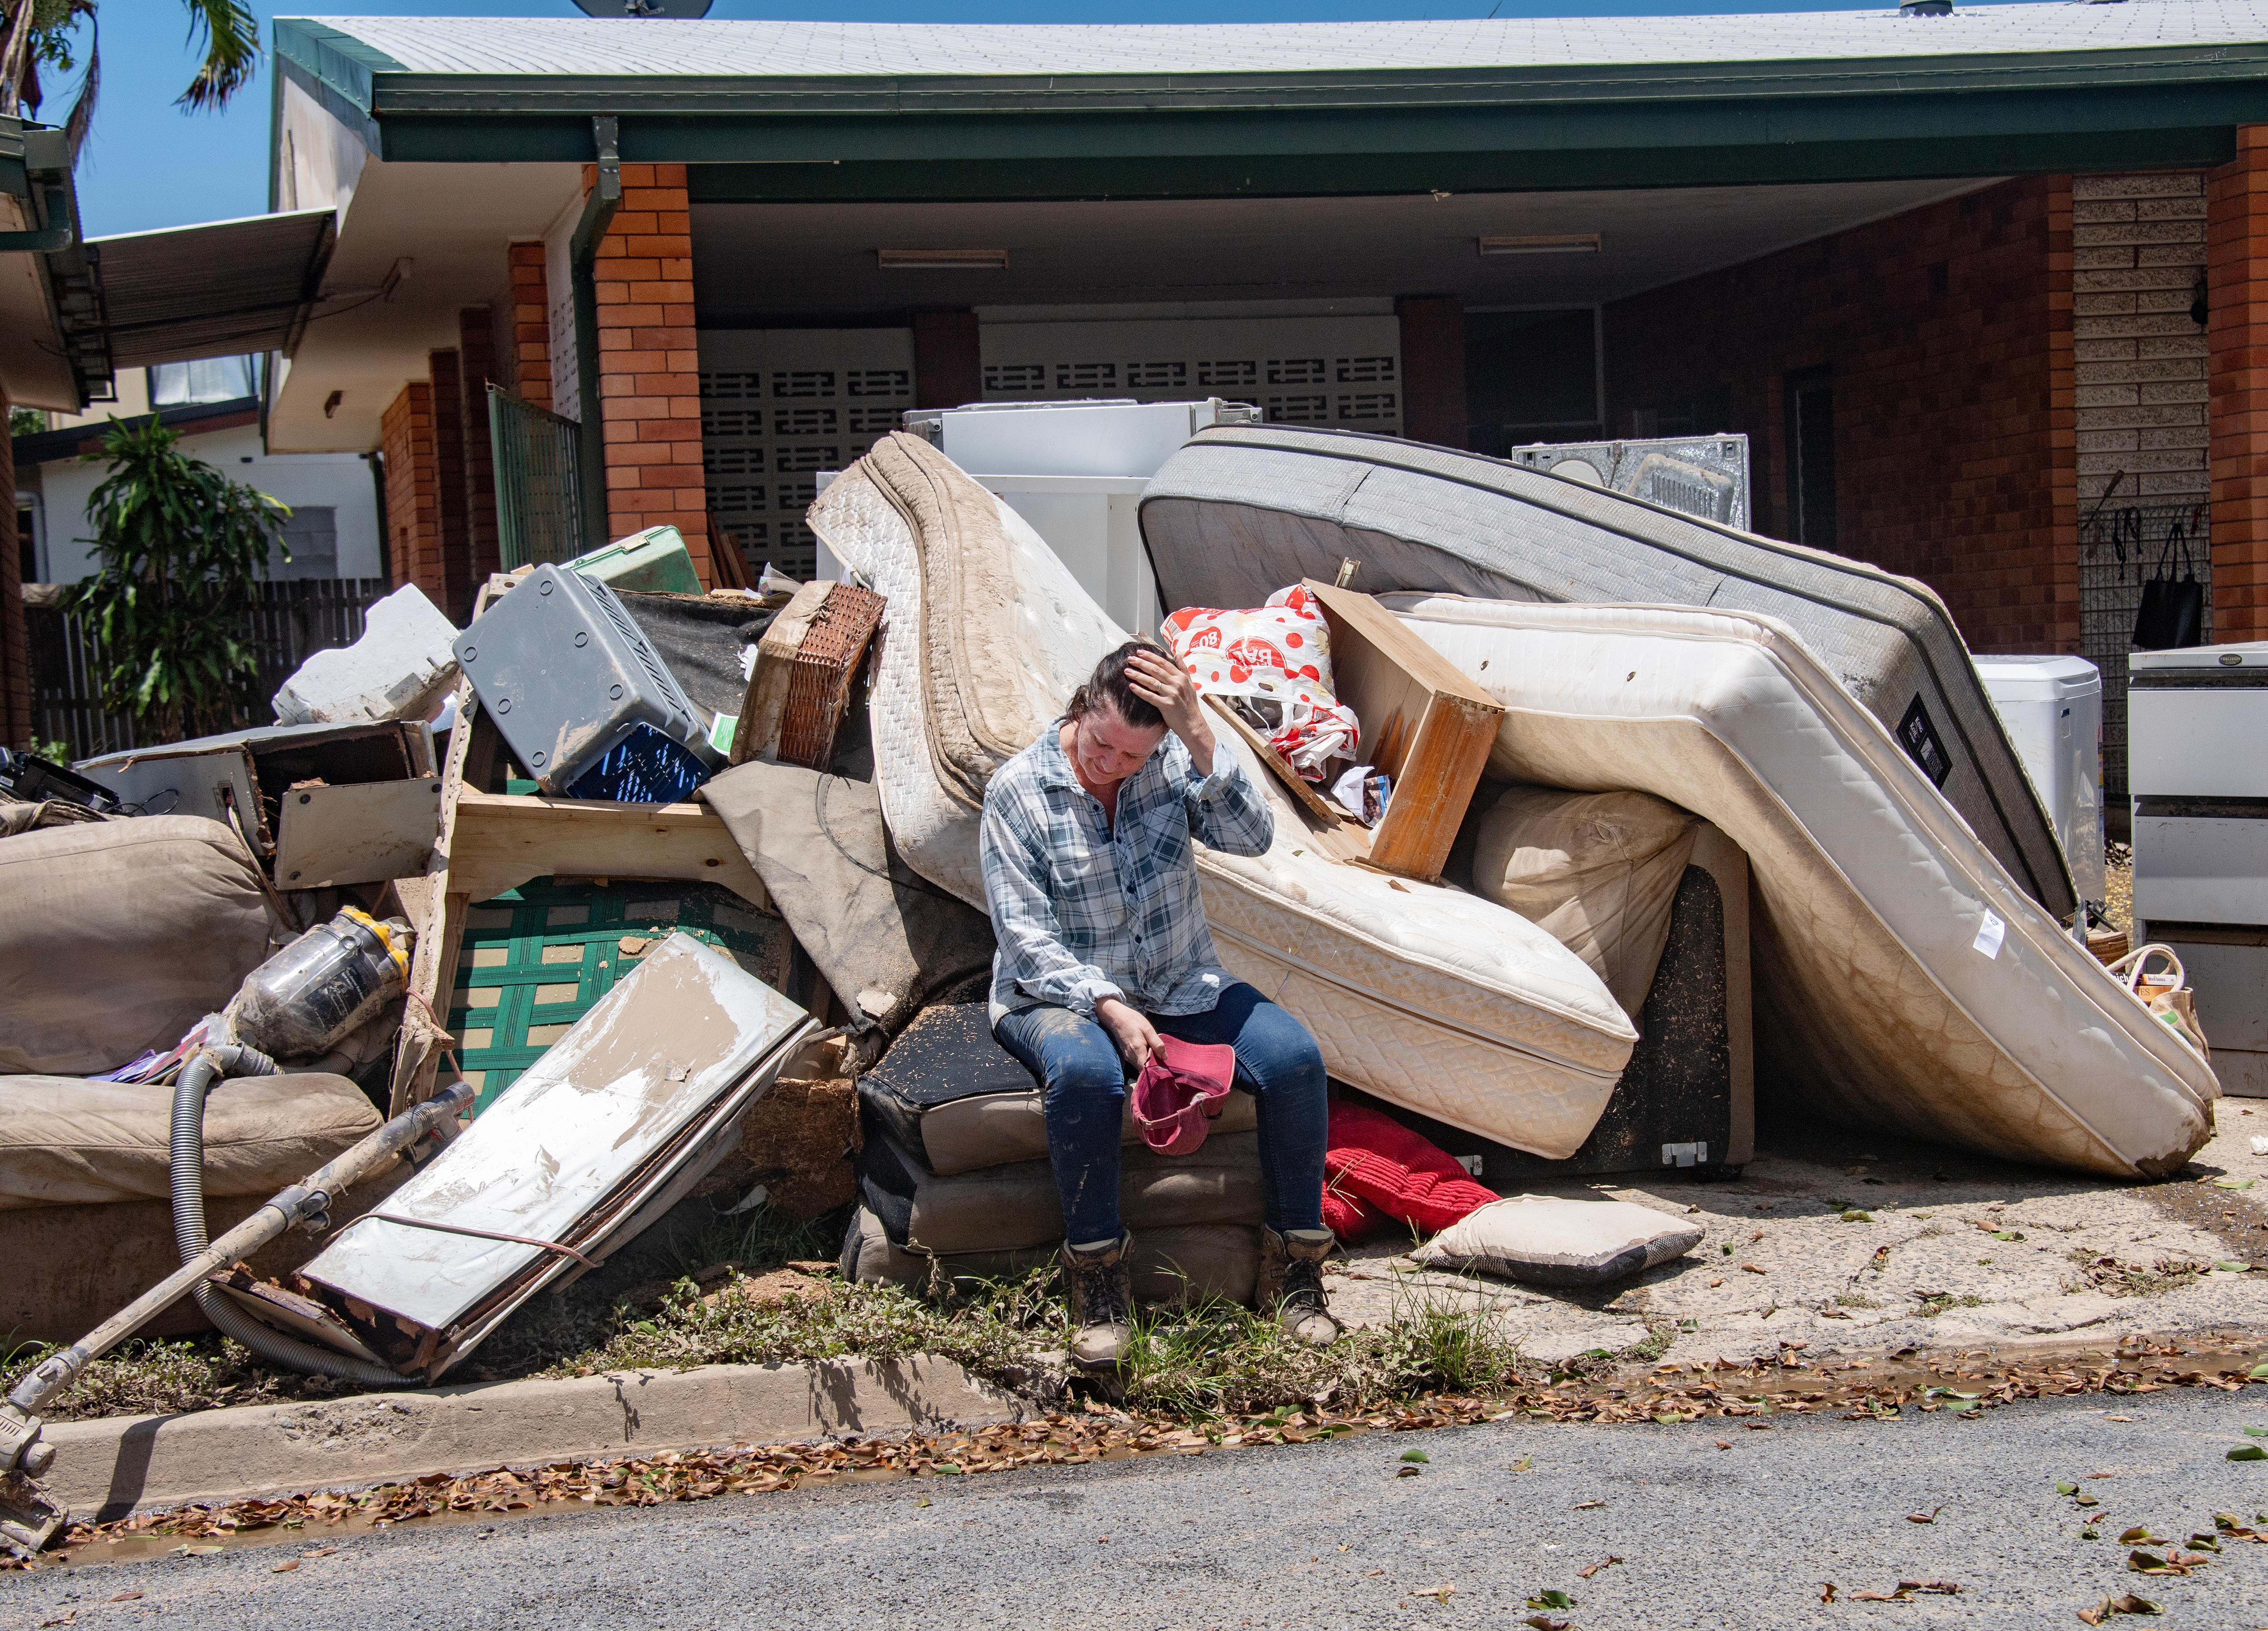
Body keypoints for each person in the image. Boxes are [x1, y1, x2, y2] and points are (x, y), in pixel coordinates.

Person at [980, 637, 1339, 1370]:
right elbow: (1024, 937)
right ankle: (1098, 1282)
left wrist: (1200, 735)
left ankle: (1294, 1277)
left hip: (1178, 983)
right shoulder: (1017, 791)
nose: (1112, 766)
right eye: (1104, 746)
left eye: (1133, 758)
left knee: (1297, 1059)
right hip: (1060, 994)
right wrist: (1108, 1005)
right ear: (1083, 707)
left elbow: (1254, 836)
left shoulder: (1175, 761)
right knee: (1088, 1076)